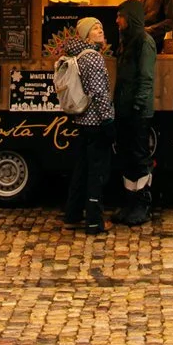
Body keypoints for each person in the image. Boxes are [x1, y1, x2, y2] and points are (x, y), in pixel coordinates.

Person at [59, 16, 114, 236]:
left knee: (81, 170)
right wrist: (108, 120)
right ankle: (94, 221)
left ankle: (71, 217)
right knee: (96, 173)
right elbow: (99, 93)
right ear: (85, 35)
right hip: (96, 123)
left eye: (101, 26)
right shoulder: (93, 58)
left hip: (82, 121)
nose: (100, 30)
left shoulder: (77, 55)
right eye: (94, 28)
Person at [113, 0, 157, 227]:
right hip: (123, 109)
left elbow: (146, 78)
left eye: (121, 15)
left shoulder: (144, 42)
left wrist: (138, 107)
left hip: (137, 112)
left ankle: (142, 204)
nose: (117, 20)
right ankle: (129, 203)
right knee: (126, 156)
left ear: (130, 18)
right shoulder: (125, 42)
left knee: (139, 157)